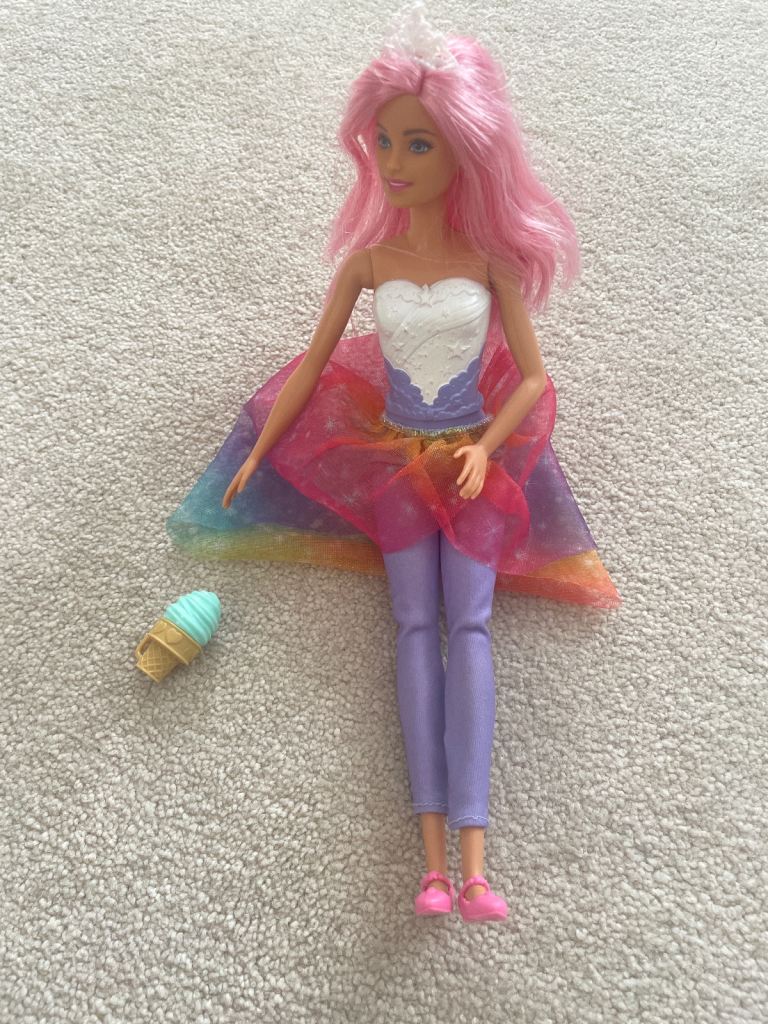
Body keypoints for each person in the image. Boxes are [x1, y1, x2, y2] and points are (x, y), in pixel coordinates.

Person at [166, 4, 622, 923]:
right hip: (393, 459)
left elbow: (534, 379)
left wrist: (484, 448)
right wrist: (256, 453)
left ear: (465, 150)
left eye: (417, 143)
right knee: (415, 627)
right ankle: (431, 864)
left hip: (472, 456)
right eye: (382, 142)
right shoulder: (367, 262)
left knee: (472, 627)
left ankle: (478, 864)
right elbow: (311, 366)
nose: (392, 161)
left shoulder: (489, 261)